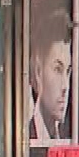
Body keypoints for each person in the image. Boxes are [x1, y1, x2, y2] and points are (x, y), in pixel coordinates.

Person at [29, 9, 74, 143]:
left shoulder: (70, 136)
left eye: (68, 72)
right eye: (57, 69)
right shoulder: (24, 137)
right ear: (38, 72)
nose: (65, 86)